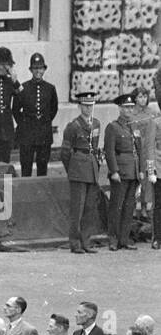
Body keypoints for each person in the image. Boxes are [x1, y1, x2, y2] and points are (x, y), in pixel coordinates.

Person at [59, 93, 102, 255]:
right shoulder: (73, 126)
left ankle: (86, 241)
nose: (88, 109)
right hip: (78, 168)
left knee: (89, 208)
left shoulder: (96, 123)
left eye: (91, 105)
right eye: (85, 106)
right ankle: (75, 243)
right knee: (77, 208)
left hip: (91, 168)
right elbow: (64, 152)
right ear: (79, 106)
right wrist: (72, 169)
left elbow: (95, 147)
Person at [104, 91, 142, 251]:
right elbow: (109, 151)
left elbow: (139, 149)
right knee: (116, 206)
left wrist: (140, 170)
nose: (129, 110)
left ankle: (124, 239)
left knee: (129, 207)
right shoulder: (113, 127)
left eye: (131, 107)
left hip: (133, 171)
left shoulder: (135, 126)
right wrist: (114, 171)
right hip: (120, 171)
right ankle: (113, 239)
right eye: (126, 108)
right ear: (119, 108)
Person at [14, 52, 58, 177]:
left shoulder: (50, 88)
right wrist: (23, 124)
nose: (38, 71)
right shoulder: (23, 87)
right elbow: (15, 109)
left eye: (40, 68)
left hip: (44, 134)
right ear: (30, 70)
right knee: (26, 166)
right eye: (35, 68)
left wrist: (44, 122)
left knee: (42, 166)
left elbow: (53, 109)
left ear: (44, 69)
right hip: (27, 134)